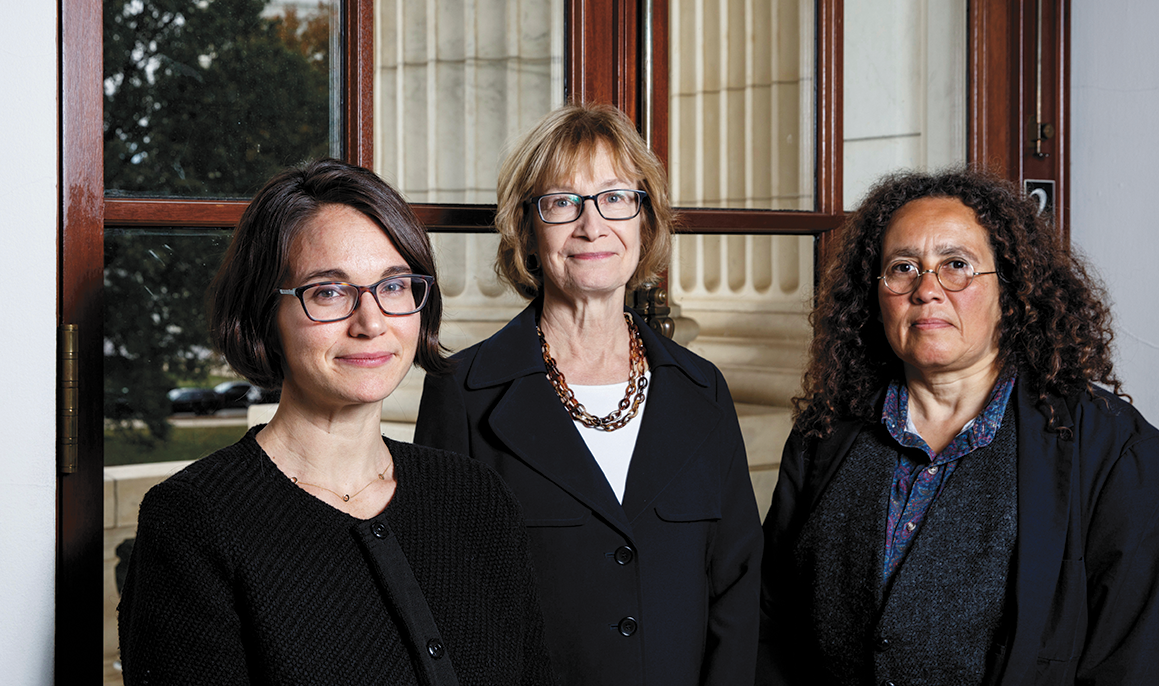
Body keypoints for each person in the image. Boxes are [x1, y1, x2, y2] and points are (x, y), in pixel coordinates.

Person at [118, 159, 556, 685]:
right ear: (264, 314)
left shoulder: (476, 496)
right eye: (328, 291)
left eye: (394, 287)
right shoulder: (194, 521)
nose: (371, 323)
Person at [756, 168, 1159, 685]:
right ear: (874, 297)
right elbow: (771, 630)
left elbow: (1139, 666)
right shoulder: (824, 436)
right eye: (902, 268)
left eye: (957, 265)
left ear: (1010, 291)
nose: (926, 290)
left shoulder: (1119, 457)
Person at [414, 103, 763, 686]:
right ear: (526, 226)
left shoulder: (703, 390)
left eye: (616, 197)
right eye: (562, 202)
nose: (592, 225)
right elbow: (443, 601)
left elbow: (738, 582)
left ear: (645, 221)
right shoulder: (463, 394)